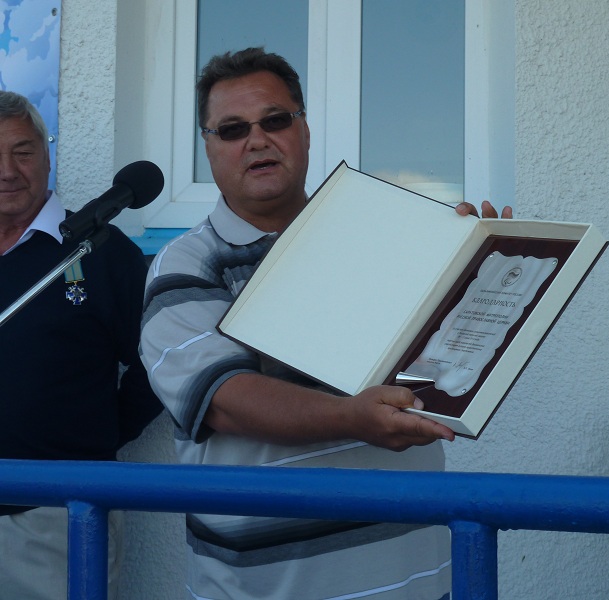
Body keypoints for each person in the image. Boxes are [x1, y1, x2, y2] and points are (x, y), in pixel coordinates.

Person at [139, 47, 511, 600]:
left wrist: (481, 276)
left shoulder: (391, 239)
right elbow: (225, 399)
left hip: (419, 581)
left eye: (275, 120)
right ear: (208, 148)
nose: (257, 140)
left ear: (305, 130)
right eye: (233, 129)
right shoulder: (186, 266)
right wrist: (352, 418)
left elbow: (442, 369)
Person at [0, 91, 163, 599]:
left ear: (47, 158)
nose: (7, 171)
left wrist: (97, 433)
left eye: (22, 152)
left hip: (55, 516)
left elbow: (159, 362)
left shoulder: (101, 253)